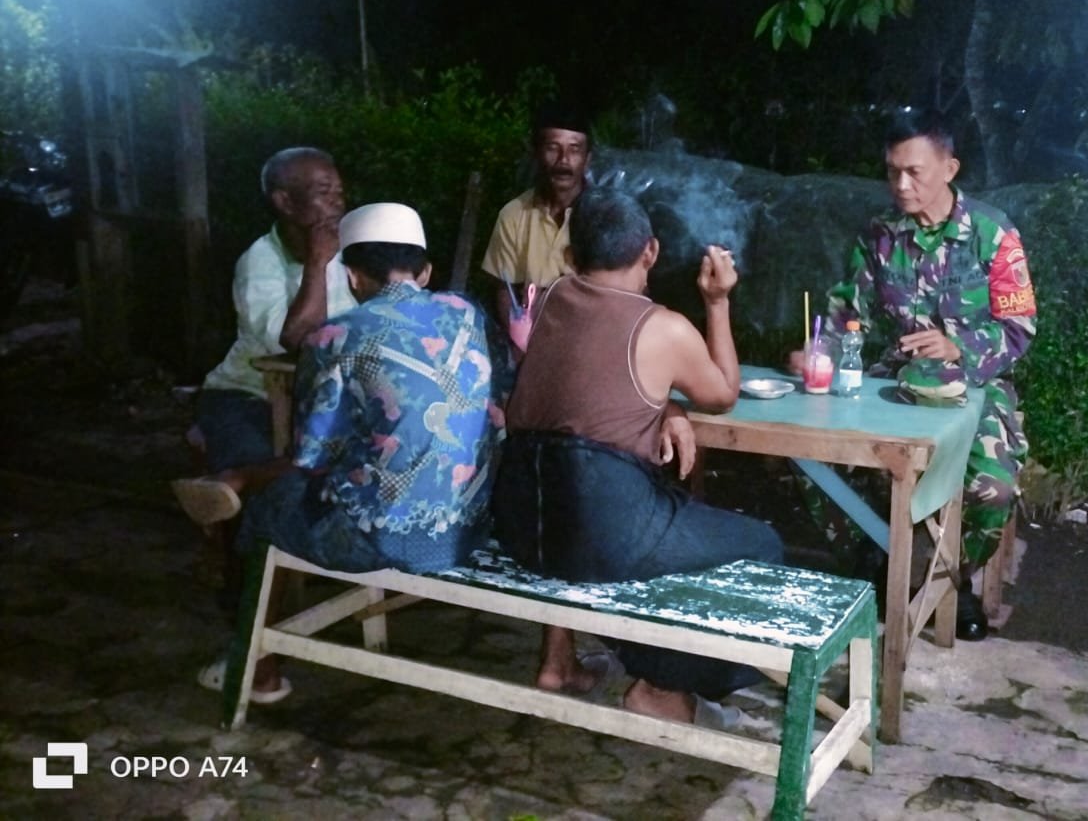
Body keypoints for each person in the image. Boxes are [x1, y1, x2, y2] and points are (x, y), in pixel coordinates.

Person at [492, 189, 783, 726]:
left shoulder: (551, 299)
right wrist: (717, 302)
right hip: (598, 531)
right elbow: (722, 394)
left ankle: (572, 661)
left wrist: (666, 404)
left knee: (629, 533)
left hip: (520, 523)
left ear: (571, 258)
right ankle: (662, 686)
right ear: (650, 251)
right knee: (759, 547)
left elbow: (584, 380)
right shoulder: (663, 327)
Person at [200, 202, 510, 701]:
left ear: (351, 276)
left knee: (267, 509)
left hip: (380, 541)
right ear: (425, 271)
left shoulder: (336, 335)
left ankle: (260, 670)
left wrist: (244, 476)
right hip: (470, 527)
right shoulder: (467, 313)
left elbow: (312, 457)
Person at [796, 109, 1036, 642]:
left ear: (949, 168)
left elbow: (1019, 327)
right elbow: (848, 310)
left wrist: (959, 346)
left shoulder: (992, 234)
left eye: (914, 172)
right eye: (892, 172)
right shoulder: (880, 235)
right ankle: (872, 556)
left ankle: (952, 581)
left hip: (975, 386)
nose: (901, 185)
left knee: (993, 489)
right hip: (897, 377)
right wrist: (819, 351)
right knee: (809, 451)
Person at [173, 147, 358, 522]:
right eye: (324, 192)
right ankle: (250, 544)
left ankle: (235, 481)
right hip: (247, 394)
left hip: (320, 396)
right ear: (284, 201)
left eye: (339, 192)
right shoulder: (260, 261)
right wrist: (317, 264)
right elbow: (295, 342)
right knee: (275, 485)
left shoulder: (347, 254)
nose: (337, 203)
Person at [480, 106, 592, 350]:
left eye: (574, 149)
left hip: (590, 341)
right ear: (537, 154)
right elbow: (504, 290)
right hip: (530, 342)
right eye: (553, 148)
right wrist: (523, 345)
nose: (564, 160)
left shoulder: (604, 215)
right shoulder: (514, 214)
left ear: (588, 159)